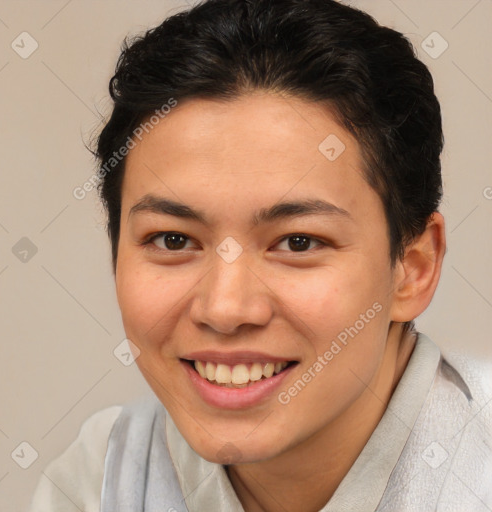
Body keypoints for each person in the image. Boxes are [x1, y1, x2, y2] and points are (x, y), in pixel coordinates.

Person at [30, 0, 492, 510]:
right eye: (174, 240)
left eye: (298, 242)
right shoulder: (102, 478)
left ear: (414, 268)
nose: (225, 309)